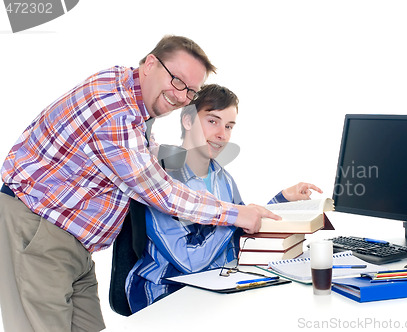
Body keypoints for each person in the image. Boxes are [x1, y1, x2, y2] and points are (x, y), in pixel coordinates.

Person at [0, 35, 279, 332]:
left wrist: (275, 203)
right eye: (176, 80)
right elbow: (163, 195)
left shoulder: (128, 91)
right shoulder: (114, 109)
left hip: (74, 244)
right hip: (39, 230)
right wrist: (235, 216)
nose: (181, 94)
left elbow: (140, 153)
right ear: (150, 64)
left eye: (190, 90)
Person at [125, 84, 322, 313]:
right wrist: (236, 218)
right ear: (187, 121)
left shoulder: (223, 178)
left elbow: (243, 228)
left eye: (229, 126)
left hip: (214, 285)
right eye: (212, 121)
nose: (222, 134)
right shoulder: (163, 180)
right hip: (168, 293)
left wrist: (282, 200)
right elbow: (188, 260)